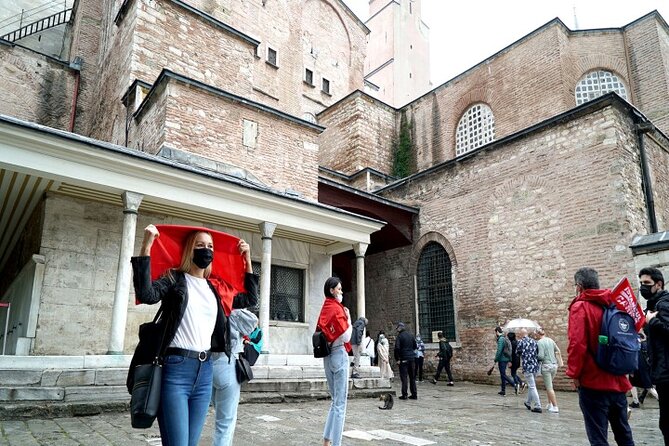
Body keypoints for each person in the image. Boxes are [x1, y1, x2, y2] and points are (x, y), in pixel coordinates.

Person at [131, 224, 258, 446]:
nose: (206, 250)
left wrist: (247, 260)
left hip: (205, 370)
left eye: (210, 246)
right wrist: (146, 245)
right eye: (200, 245)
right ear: (190, 249)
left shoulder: (215, 288)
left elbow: (249, 299)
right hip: (175, 369)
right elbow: (147, 294)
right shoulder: (174, 279)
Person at [567, 267, 634, 446]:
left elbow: (577, 344)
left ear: (579, 286)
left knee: (598, 436)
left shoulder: (580, 306)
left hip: (593, 382)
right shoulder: (614, 303)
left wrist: (574, 374)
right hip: (618, 380)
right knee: (624, 433)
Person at [213, 308, 258, 446]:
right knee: (225, 423)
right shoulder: (231, 311)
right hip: (227, 362)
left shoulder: (208, 304)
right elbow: (253, 321)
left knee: (217, 415)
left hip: (206, 363)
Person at [317, 277, 352, 446]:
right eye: (339, 289)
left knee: (334, 400)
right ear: (332, 290)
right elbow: (346, 335)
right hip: (338, 353)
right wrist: (349, 318)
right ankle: (336, 443)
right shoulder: (338, 309)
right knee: (340, 404)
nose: (341, 291)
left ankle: (326, 439)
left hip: (327, 356)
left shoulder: (326, 307)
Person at [639, 266, 669, 444]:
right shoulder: (654, 304)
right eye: (641, 283)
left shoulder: (663, 303)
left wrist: (653, 321)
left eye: (647, 283)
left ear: (658, 284)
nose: (643, 287)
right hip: (662, 371)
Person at [536, 328, 562, 413]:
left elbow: (541, 356)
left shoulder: (540, 342)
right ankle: (550, 404)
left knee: (549, 387)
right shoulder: (551, 340)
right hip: (554, 365)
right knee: (549, 386)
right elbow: (558, 350)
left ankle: (555, 406)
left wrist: (535, 356)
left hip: (546, 366)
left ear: (538, 334)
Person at [516, 328, 542, 413]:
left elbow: (517, 353)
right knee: (531, 385)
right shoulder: (534, 342)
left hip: (527, 366)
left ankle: (538, 405)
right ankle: (528, 402)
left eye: (518, 333)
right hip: (535, 366)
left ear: (521, 334)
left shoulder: (520, 342)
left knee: (532, 386)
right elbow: (537, 352)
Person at [629, 332, 657, 409]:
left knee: (648, 386)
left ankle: (660, 399)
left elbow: (634, 354)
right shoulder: (642, 343)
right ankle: (635, 401)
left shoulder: (636, 343)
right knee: (632, 384)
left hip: (638, 366)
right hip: (641, 365)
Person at [394, 322, 418, 400]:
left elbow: (397, 348)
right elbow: (415, 346)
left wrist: (397, 359)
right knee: (412, 378)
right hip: (412, 359)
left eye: (397, 328)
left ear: (399, 328)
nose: (397, 330)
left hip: (404, 359)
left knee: (404, 378)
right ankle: (414, 394)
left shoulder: (399, 337)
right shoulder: (411, 335)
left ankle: (404, 394)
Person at [493, 326, 515, 396]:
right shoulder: (505, 338)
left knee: (503, 374)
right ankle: (503, 390)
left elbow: (499, 350)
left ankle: (514, 384)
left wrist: (496, 359)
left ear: (497, 332)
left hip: (502, 359)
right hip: (505, 359)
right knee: (502, 375)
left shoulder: (501, 339)